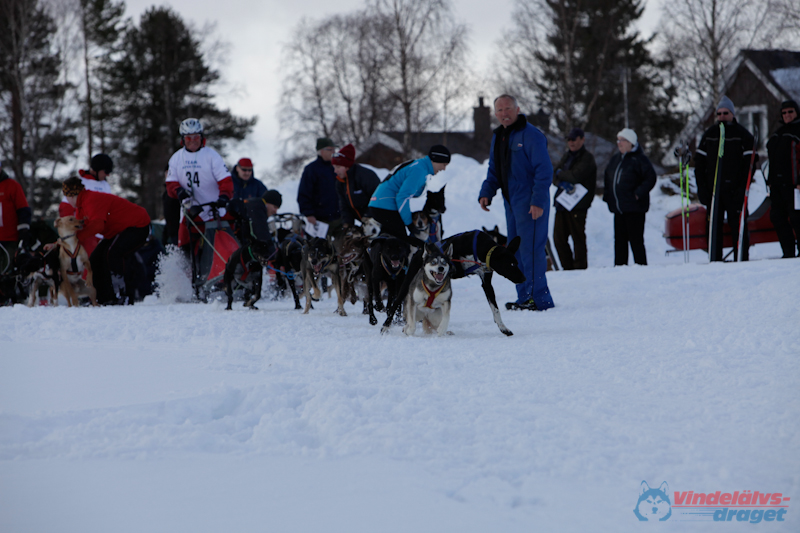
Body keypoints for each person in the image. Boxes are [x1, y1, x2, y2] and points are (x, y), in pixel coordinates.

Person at [479, 94, 554, 311]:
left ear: (518, 109)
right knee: (517, 250)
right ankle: (524, 297)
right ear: (495, 114)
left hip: (530, 201)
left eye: (508, 108)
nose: (504, 113)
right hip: (511, 202)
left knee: (532, 250)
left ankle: (538, 299)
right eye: (500, 110)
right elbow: (494, 169)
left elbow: (544, 170)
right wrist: (487, 192)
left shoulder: (531, 135)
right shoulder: (499, 136)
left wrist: (538, 200)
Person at [62, 177, 151, 305]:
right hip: (119, 230)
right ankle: (102, 298)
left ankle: (122, 295)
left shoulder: (90, 199)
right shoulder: (81, 208)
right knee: (95, 259)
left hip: (138, 225)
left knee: (113, 254)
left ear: (70, 196)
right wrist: (60, 244)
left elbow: (98, 226)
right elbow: (79, 231)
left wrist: (76, 238)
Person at [694, 96, 758, 262]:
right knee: (713, 227)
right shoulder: (709, 135)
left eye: (725, 113)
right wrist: (702, 188)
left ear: (732, 114)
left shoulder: (742, 135)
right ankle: (715, 259)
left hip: (735, 190)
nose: (722, 116)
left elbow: (749, 166)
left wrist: (743, 188)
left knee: (738, 225)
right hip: (714, 191)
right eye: (719, 114)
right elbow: (699, 164)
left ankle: (741, 258)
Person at [165, 118, 233, 248]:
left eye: (196, 137)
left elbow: (226, 181)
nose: (193, 141)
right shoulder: (176, 158)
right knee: (186, 249)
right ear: (183, 139)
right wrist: (179, 191)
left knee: (221, 246)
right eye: (189, 138)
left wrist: (224, 196)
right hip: (190, 214)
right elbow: (170, 185)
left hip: (214, 210)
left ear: (201, 137)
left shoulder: (212, 156)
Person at [368, 145, 451, 244]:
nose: (444, 169)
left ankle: (375, 255)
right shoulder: (419, 170)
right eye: (444, 164)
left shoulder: (419, 166)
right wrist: (410, 224)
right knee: (402, 243)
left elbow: (408, 192)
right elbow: (402, 197)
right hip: (385, 206)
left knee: (389, 242)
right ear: (436, 159)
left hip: (379, 204)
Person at [602, 128, 657, 266]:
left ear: (630, 142)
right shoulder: (615, 159)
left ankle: (642, 268)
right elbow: (608, 178)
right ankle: (619, 269)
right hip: (619, 209)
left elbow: (650, 178)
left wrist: (638, 194)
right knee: (619, 242)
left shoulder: (639, 159)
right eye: (618, 140)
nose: (619, 143)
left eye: (622, 140)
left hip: (635, 208)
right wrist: (608, 196)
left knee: (636, 241)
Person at [552, 127, 597, 270]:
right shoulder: (566, 156)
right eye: (569, 139)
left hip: (578, 205)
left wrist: (561, 174)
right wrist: (561, 178)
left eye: (574, 139)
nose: (571, 142)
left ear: (582, 140)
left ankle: (580, 269)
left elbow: (576, 176)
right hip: (562, 204)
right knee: (559, 239)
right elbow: (553, 175)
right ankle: (568, 269)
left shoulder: (587, 158)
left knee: (577, 238)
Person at [766, 99, 800, 258]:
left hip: (795, 185)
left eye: (790, 112)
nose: (787, 115)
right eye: (784, 112)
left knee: (797, 217)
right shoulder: (777, 134)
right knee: (777, 217)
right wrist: (770, 181)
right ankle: (788, 252)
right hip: (777, 185)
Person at [297, 137, 341, 235]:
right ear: (321, 151)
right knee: (323, 249)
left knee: (342, 249)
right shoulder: (311, 170)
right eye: (330, 149)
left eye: (334, 149)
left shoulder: (337, 168)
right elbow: (304, 194)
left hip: (339, 219)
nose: (333, 152)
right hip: (320, 221)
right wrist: (309, 214)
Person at [331, 144, 380, 226]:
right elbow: (344, 206)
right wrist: (347, 224)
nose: (335, 171)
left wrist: (369, 216)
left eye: (338, 167)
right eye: (334, 167)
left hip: (379, 220)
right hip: (365, 223)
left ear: (347, 166)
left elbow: (378, 198)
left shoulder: (366, 176)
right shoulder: (340, 183)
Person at [0, 161, 33, 273]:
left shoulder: (12, 186)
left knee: (7, 271)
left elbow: (23, 210)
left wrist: (24, 230)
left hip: (9, 239)